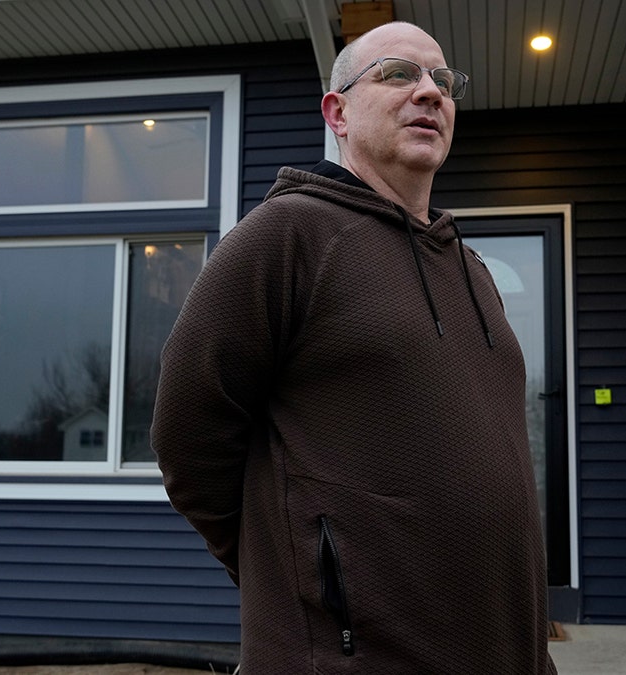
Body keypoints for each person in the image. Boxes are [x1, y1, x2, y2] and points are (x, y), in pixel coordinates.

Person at [150, 21, 556, 674]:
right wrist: (304, 580)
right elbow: (187, 436)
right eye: (398, 74)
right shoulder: (288, 236)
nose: (430, 92)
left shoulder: (473, 270)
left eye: (443, 81)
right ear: (337, 113)